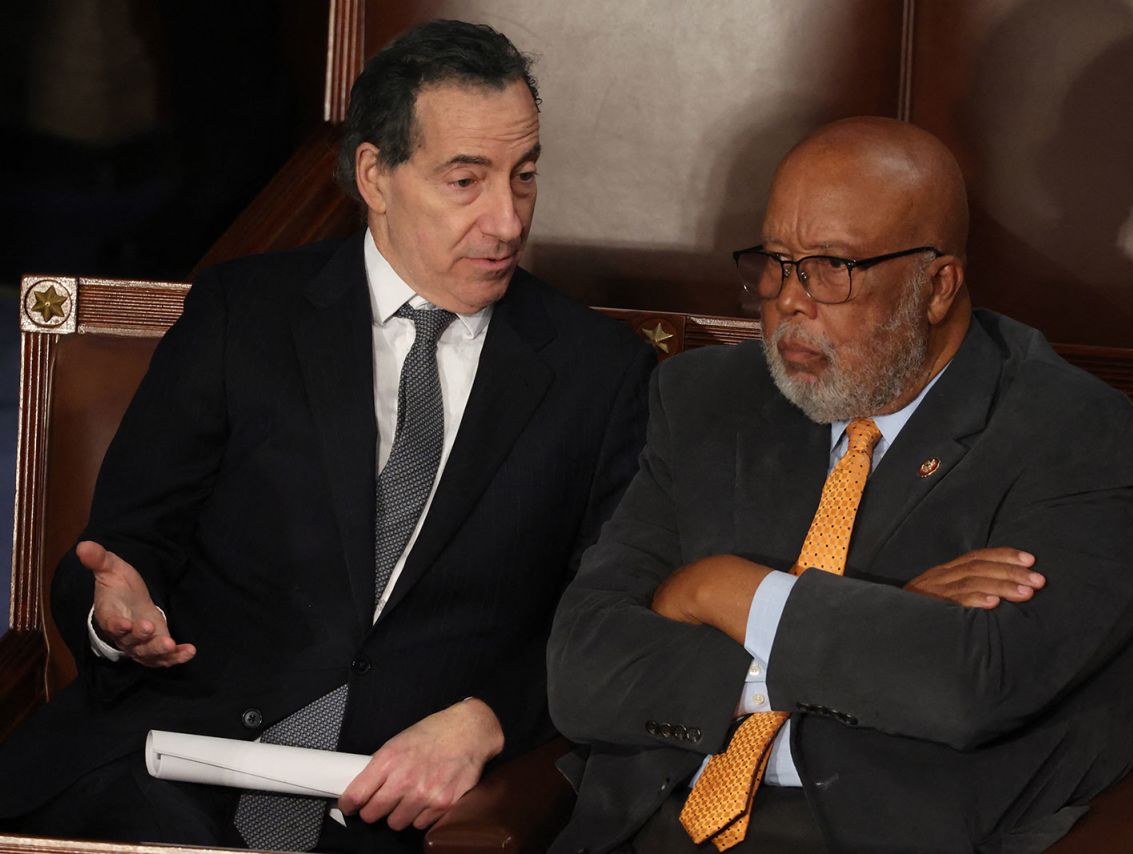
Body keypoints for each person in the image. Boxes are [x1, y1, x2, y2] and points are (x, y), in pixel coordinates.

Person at [0, 19, 653, 854]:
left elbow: (608, 617)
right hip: (173, 766)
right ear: (376, 176)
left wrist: (485, 720)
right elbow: (126, 544)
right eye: (466, 181)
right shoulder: (242, 315)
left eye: (523, 178)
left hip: (393, 804)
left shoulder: (601, 374)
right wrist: (115, 612)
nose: (506, 221)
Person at [546, 117, 1133, 853]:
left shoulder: (1069, 432)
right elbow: (581, 667)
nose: (788, 302)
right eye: (775, 261)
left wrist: (724, 590)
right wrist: (876, 623)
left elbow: (969, 684)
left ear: (937, 287)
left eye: (830, 267)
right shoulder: (709, 400)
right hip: (654, 829)